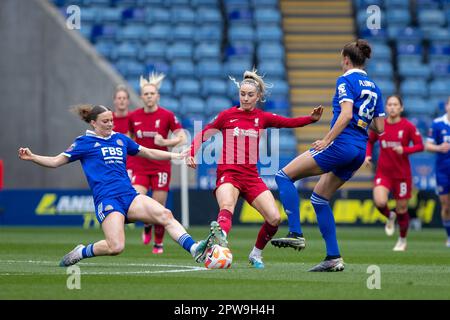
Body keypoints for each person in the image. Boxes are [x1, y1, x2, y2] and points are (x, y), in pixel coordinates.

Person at [18, 104, 213, 266]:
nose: (110, 124)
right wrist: (33, 157)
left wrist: (177, 155)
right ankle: (81, 251)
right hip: (108, 200)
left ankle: (195, 248)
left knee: (165, 214)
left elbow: (149, 152)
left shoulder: (120, 139)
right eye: (105, 121)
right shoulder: (83, 143)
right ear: (93, 123)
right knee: (116, 247)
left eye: (111, 120)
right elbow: (55, 161)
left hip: (129, 196)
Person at [186, 69, 323, 269]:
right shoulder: (227, 115)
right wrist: (192, 152)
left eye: (250, 95)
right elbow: (204, 133)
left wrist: (310, 120)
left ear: (258, 97)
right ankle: (220, 239)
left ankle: (255, 254)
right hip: (228, 173)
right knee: (227, 206)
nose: (245, 98)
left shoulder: (262, 118)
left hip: (251, 177)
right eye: (242, 94)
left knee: (274, 218)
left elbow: (288, 123)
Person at [270, 39, 385, 271]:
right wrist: (359, 123)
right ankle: (333, 257)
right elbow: (380, 128)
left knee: (283, 176)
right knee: (319, 198)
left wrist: (326, 140)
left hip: (341, 145)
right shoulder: (374, 86)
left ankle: (295, 232)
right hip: (359, 151)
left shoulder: (345, 80)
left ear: (345, 59)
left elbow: (345, 115)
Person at [128, 73, 187, 254]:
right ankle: (146, 223)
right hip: (139, 165)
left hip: (161, 165)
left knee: (159, 206)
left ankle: (158, 242)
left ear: (157, 96)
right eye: (146, 94)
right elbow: (129, 140)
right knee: (137, 200)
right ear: (141, 97)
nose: (149, 97)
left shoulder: (167, 115)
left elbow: (182, 137)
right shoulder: (133, 116)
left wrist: (166, 143)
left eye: (152, 93)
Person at [365, 95, 424, 251]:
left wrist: (405, 149)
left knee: (402, 209)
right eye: (389, 104)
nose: (392, 107)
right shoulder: (380, 125)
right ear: (385, 107)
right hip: (383, 173)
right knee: (379, 202)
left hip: (402, 175)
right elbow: (370, 141)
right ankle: (390, 216)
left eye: (395, 104)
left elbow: (420, 146)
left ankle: (402, 240)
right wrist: (368, 155)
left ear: (401, 108)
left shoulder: (408, 126)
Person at [425, 96, 450, 247]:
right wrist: (439, 147)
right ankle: (449, 235)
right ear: (446, 106)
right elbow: (428, 146)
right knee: (446, 206)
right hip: (443, 171)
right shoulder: (437, 124)